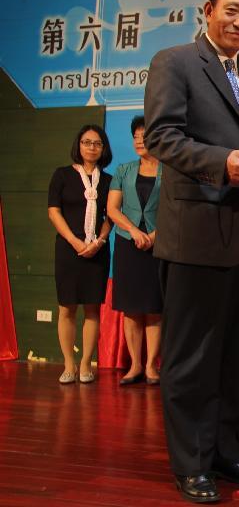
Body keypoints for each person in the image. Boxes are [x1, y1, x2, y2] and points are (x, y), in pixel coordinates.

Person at [143, 0, 239, 503]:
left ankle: (224, 454)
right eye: (233, 10)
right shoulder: (175, 62)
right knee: (191, 357)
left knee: (231, 356)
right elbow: (162, 137)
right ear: (208, 8)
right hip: (193, 234)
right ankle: (190, 464)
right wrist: (222, 163)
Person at [47, 125, 113, 385]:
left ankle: (86, 364)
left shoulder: (108, 181)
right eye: (87, 142)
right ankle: (69, 364)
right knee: (66, 309)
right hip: (68, 250)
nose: (92, 147)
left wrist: (100, 241)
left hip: (97, 250)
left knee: (92, 309)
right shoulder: (62, 175)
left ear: (103, 149)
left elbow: (112, 215)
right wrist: (75, 242)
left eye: (97, 143)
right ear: (79, 145)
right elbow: (54, 212)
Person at [106, 116, 162, 386]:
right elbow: (112, 209)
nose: (140, 141)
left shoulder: (169, 170)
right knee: (131, 308)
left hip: (158, 244)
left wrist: (152, 235)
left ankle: (152, 366)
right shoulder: (123, 170)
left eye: (145, 136)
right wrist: (135, 232)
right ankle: (135, 365)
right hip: (128, 244)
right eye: (136, 136)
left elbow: (175, 211)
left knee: (154, 308)